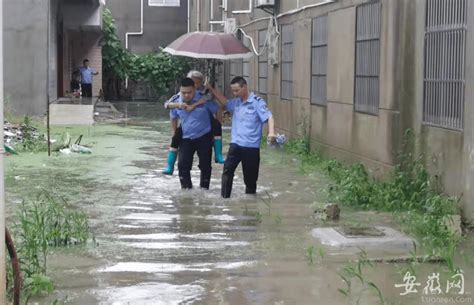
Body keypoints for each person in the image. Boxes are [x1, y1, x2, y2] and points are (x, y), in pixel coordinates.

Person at [207, 76, 276, 198]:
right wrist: (211, 89)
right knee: (227, 171)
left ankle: (250, 204)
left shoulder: (257, 102)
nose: (234, 93)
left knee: (250, 180)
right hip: (236, 145)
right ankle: (225, 198)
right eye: (233, 90)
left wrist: (271, 132)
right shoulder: (236, 103)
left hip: (251, 147)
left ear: (245, 87)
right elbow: (224, 102)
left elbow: (269, 117)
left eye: (237, 90)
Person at [162, 70, 225, 175]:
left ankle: (218, 154)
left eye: (197, 83)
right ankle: (170, 165)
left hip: (205, 127)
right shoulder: (178, 97)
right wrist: (178, 105)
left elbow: (213, 104)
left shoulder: (204, 94)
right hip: (186, 130)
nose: (194, 85)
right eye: (192, 82)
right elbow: (169, 109)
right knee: (176, 141)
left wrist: (209, 90)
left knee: (217, 127)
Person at [169, 77, 219, 190]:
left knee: (205, 165)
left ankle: (204, 189)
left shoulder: (204, 98)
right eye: (184, 93)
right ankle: (186, 190)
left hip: (204, 136)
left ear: (194, 89)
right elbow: (173, 118)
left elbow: (216, 109)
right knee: (182, 165)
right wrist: (174, 134)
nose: (187, 95)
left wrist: (218, 123)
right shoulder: (176, 101)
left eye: (189, 92)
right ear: (180, 90)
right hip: (186, 138)